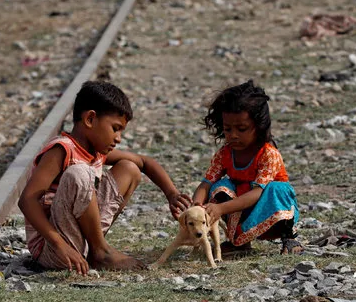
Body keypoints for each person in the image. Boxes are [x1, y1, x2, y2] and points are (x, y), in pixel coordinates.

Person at [18, 81, 191, 274]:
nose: (118, 138)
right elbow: (27, 200)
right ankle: (100, 250)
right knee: (80, 172)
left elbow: (144, 162)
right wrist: (59, 244)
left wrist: (172, 193)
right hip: (52, 249)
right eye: (115, 128)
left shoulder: (96, 151)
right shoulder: (62, 150)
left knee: (129, 169)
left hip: (79, 242)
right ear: (90, 119)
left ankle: (95, 248)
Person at [191, 80, 302, 255]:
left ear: (258, 127)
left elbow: (258, 193)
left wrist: (220, 209)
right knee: (219, 187)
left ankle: (289, 238)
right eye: (228, 129)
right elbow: (206, 183)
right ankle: (240, 243)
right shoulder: (224, 154)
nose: (233, 135)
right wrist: (197, 205)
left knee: (276, 189)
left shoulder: (268, 154)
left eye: (241, 129)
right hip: (242, 209)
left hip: (271, 212)